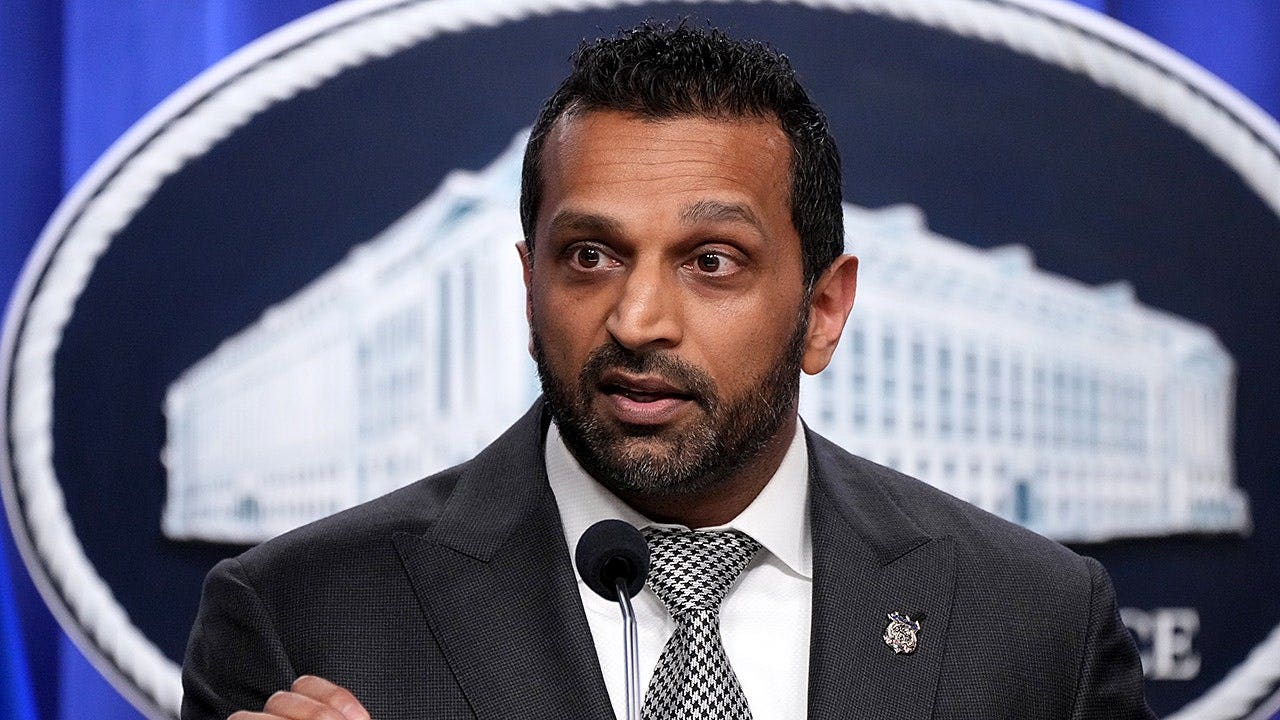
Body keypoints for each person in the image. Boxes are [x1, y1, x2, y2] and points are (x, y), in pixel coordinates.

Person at [181, 21, 1155, 720]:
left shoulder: (1036, 622)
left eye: (711, 262)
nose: (637, 320)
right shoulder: (298, 616)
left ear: (822, 310)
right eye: (589, 256)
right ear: (529, 288)